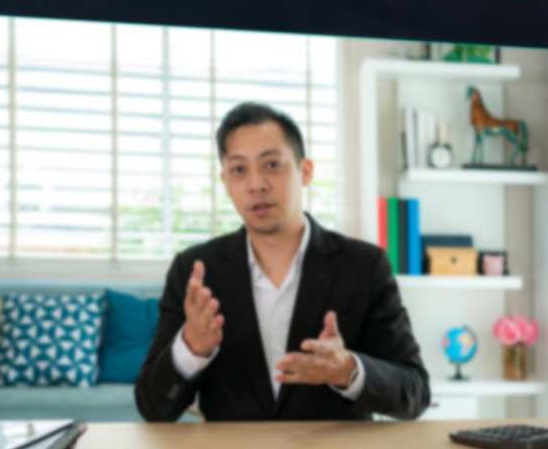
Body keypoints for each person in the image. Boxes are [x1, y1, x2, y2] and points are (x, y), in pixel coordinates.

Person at [135, 102, 431, 422]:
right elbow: (154, 409)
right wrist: (190, 348)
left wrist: (347, 370)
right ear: (225, 183)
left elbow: (414, 393)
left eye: (272, 164)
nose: (256, 184)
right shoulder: (194, 271)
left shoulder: (364, 266)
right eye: (239, 170)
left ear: (305, 171)